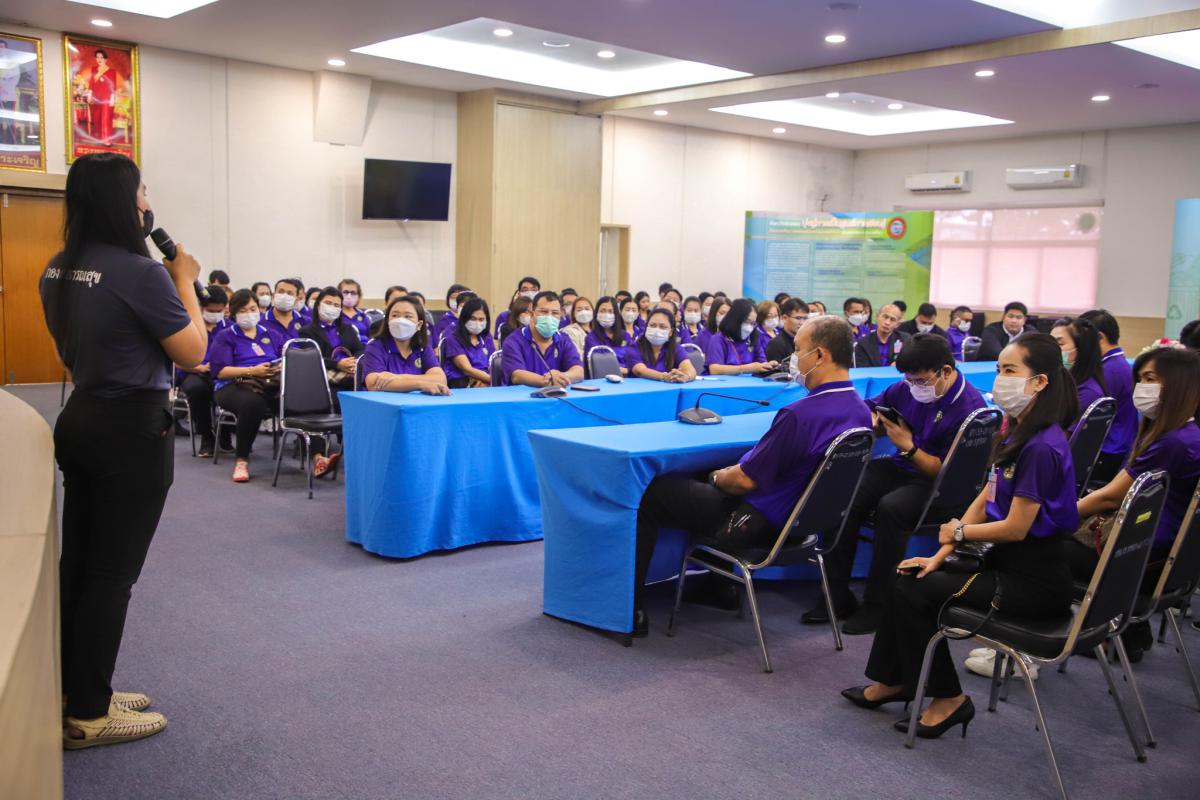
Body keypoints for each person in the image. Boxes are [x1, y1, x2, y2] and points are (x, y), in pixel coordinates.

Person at [40, 154, 206, 748]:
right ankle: (90, 715)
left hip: (82, 417)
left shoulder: (58, 268)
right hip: (132, 429)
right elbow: (193, 353)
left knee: (80, 564)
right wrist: (183, 279)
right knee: (112, 575)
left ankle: (74, 688)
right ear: (122, 202)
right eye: (141, 192)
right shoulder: (143, 274)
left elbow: (69, 350)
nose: (147, 203)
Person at [843, 332, 1078, 738]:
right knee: (909, 574)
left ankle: (948, 697)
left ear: (1039, 381)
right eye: (999, 369)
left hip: (1032, 580)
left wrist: (960, 532)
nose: (1000, 379)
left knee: (914, 592)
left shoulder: (1042, 446)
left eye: (1010, 371)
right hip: (1001, 562)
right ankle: (894, 681)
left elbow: (1016, 527)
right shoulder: (1017, 431)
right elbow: (987, 497)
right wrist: (940, 554)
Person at [632, 316, 871, 634]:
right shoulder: (860, 409)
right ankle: (720, 587)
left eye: (797, 349)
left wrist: (716, 477)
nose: (792, 358)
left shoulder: (800, 414)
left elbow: (744, 481)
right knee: (713, 476)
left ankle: (630, 610)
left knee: (654, 493)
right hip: (805, 526)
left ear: (819, 355)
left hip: (756, 525)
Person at [813, 335, 988, 634]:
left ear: (945, 371)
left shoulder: (970, 409)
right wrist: (873, 420)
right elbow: (871, 407)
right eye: (909, 380)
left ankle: (878, 605)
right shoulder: (908, 388)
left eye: (920, 381)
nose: (914, 386)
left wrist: (908, 446)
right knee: (845, 488)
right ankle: (835, 595)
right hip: (903, 466)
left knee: (891, 508)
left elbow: (945, 472)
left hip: (939, 484)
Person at [1064, 346, 1200, 657]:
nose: (1142, 388)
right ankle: (1128, 632)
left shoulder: (1174, 443)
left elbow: (1111, 495)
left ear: (1178, 384)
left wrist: (1059, 517)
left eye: (1150, 379)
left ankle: (1054, 635)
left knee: (1041, 546)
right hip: (1161, 553)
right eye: (1140, 379)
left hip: (1139, 556)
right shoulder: (1188, 435)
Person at [210, 289, 284, 483]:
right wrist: (252, 371)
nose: (249, 314)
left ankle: (317, 456)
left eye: (252, 309)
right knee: (253, 404)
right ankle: (241, 460)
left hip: (268, 382)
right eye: (243, 311)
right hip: (231, 385)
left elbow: (285, 357)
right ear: (234, 313)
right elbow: (220, 371)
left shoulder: (271, 334)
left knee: (298, 398)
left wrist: (278, 367)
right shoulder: (226, 336)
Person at [1079, 309, 1136, 483]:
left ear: (1099, 337)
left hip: (1107, 449)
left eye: (1080, 340)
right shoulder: (1117, 363)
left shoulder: (1109, 370)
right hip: (1116, 444)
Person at [179, 285, 232, 458]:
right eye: (211, 311)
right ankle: (206, 436)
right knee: (196, 390)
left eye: (219, 311)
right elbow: (177, 360)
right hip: (196, 372)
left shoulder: (231, 328)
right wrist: (200, 367)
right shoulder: (189, 327)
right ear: (201, 307)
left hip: (224, 374)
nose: (215, 314)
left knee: (240, 386)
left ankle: (225, 432)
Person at [360, 295, 449, 394]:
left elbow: (441, 380)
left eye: (408, 316)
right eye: (395, 315)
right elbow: (373, 384)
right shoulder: (375, 346)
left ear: (419, 325)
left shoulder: (423, 347)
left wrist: (397, 377)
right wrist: (420, 384)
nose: (400, 321)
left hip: (416, 401)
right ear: (388, 321)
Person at [502, 291, 584, 388]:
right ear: (532, 314)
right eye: (544, 312)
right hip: (522, 396)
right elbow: (516, 375)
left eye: (555, 313)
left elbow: (578, 371)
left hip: (558, 394)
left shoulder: (564, 339)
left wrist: (561, 377)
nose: (549, 317)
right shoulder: (514, 341)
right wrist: (546, 380)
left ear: (561, 315)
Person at [298, 286, 362, 400]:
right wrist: (337, 364)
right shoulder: (306, 331)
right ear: (318, 305)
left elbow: (359, 349)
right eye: (328, 303)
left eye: (336, 305)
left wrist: (354, 362)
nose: (332, 307)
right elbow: (311, 358)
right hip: (326, 377)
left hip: (351, 373)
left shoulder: (348, 329)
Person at [1050, 317, 1106, 425]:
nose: (1051, 348)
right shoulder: (1060, 381)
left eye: (1059, 344)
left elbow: (1061, 431)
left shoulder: (1088, 393)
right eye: (1050, 343)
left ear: (1081, 348)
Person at [704, 298, 778, 375]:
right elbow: (714, 370)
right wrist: (746, 368)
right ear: (735, 319)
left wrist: (769, 366)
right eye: (747, 321)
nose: (749, 327)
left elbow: (761, 363)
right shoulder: (718, 339)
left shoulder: (753, 338)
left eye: (753, 323)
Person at [630, 308, 696, 383]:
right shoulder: (635, 346)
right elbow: (639, 371)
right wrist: (665, 376)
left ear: (670, 332)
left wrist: (686, 376)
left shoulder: (675, 347)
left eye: (662, 327)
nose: (656, 330)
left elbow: (690, 370)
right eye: (652, 325)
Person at [443, 296, 496, 389]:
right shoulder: (453, 339)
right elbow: (467, 369)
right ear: (465, 318)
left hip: (486, 383)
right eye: (473, 318)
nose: (477, 323)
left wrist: (488, 382)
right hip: (462, 385)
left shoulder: (486, 337)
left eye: (481, 319)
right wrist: (493, 381)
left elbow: (493, 363)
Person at [583, 295, 633, 374]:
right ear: (596, 313)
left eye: (610, 311)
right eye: (602, 311)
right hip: (604, 378)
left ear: (616, 314)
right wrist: (626, 370)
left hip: (629, 379)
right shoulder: (591, 338)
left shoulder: (625, 336)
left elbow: (634, 359)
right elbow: (600, 365)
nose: (606, 314)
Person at [853, 303, 909, 368]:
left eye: (892, 319)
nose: (887, 322)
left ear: (897, 324)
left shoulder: (905, 340)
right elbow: (862, 369)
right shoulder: (863, 343)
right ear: (877, 317)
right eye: (885, 317)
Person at [260, 278, 304, 344]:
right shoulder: (261, 322)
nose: (284, 296)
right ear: (273, 295)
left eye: (290, 293)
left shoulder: (305, 321)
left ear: (297, 299)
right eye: (281, 292)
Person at [767, 297, 808, 364]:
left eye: (805, 318)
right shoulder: (776, 344)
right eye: (798, 318)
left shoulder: (807, 342)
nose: (802, 322)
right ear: (784, 318)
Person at [337, 278, 370, 342]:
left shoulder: (363, 315)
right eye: (345, 292)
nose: (349, 296)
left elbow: (371, 336)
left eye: (353, 293)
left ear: (358, 296)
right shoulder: (335, 315)